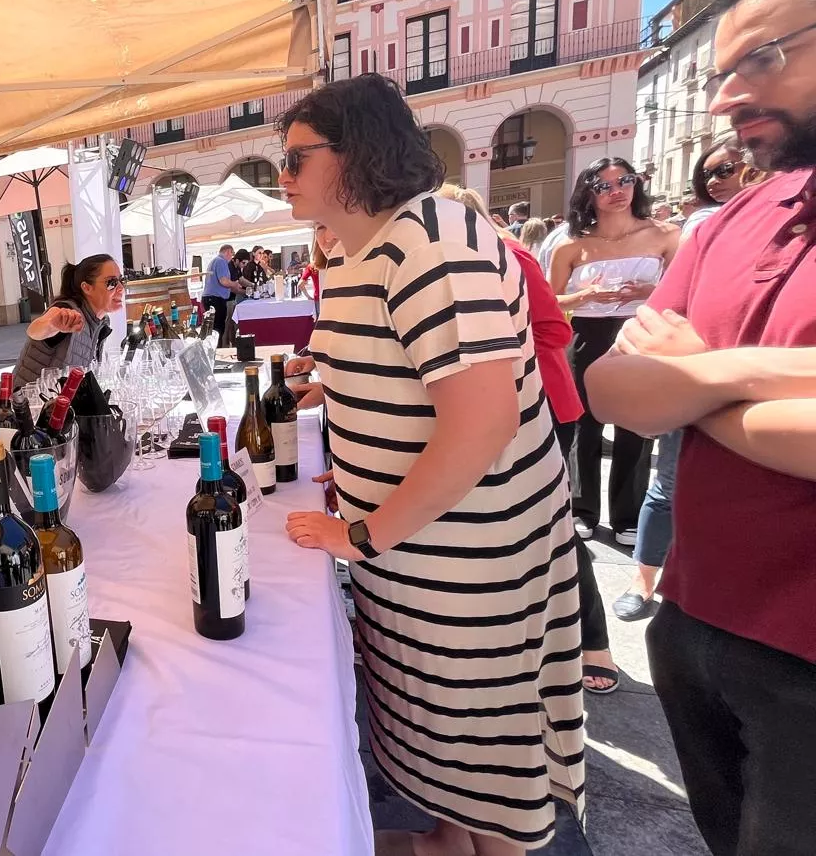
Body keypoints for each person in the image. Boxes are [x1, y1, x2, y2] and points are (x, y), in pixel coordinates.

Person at [278, 74, 583, 856]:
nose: (282, 178)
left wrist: (366, 534)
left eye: (297, 159)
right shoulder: (352, 249)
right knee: (446, 777)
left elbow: (482, 421)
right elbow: (401, 376)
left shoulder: (431, 239)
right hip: (420, 563)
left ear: (358, 153)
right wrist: (347, 426)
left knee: (485, 777)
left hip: (472, 565)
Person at [586, 0, 816, 850]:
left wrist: (694, 383)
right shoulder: (725, 224)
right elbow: (614, 392)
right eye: (718, 73)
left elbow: (655, 397)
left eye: (761, 59)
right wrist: (750, 376)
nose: (722, 100)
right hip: (695, 626)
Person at [442, 186, 615, 693]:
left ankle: (594, 641)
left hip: (542, 408)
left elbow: (555, 331)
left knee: (552, 525)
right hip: (501, 411)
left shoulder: (508, 254)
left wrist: (495, 361)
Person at [615, 133, 762, 621]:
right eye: (712, 172)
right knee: (669, 484)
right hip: (693, 381)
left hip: (708, 381)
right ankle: (645, 578)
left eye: (732, 168)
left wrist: (706, 377)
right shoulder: (703, 230)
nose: (722, 181)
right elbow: (619, 371)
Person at [547, 158, 680, 546]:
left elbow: (685, 291)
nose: (616, 191)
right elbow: (552, 300)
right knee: (584, 427)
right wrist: (585, 295)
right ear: (589, 192)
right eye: (604, 185)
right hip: (588, 332)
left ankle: (628, 514)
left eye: (624, 181)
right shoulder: (572, 242)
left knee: (636, 429)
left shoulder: (664, 235)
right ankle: (583, 508)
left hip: (642, 331)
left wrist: (648, 292)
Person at [12, 254, 122, 388]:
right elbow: (35, 330)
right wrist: (53, 323)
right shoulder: (66, 310)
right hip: (31, 403)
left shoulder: (100, 322)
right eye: (112, 283)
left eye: (122, 280)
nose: (121, 288)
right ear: (87, 287)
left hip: (62, 402)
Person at [199, 244, 244, 341]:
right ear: (228, 251)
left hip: (210, 298)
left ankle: (215, 348)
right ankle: (217, 350)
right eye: (232, 254)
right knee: (218, 328)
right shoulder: (221, 262)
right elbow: (223, 281)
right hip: (215, 299)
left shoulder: (214, 261)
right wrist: (234, 284)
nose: (232, 257)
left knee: (213, 327)